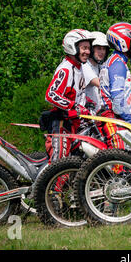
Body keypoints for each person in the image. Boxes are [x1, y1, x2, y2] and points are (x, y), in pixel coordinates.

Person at [44, 29, 93, 163]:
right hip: (61, 124)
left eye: (89, 48)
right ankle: (47, 184)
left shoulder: (79, 68)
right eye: (84, 48)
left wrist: (88, 104)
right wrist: (74, 106)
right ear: (72, 47)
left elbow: (78, 94)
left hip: (74, 123)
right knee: (60, 164)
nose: (87, 52)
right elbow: (51, 95)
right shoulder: (66, 69)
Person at [98, 22, 131, 148]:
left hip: (114, 116)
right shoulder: (118, 64)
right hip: (113, 118)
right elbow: (118, 100)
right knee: (122, 162)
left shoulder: (117, 61)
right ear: (123, 41)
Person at [81, 31, 110, 113]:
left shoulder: (99, 66)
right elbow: (101, 84)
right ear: (91, 49)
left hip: (97, 113)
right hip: (86, 114)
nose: (102, 52)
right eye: (99, 48)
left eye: (104, 49)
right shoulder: (85, 66)